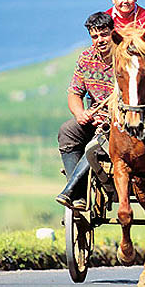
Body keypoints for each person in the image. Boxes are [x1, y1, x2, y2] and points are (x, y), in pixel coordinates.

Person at [55, 12, 114, 210]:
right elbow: (74, 93)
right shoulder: (86, 57)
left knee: (98, 140)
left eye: (104, 34)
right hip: (93, 118)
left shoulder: (126, 58)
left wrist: (108, 116)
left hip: (119, 122)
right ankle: (79, 196)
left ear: (113, 32)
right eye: (95, 36)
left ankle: (70, 190)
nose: (100, 40)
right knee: (67, 131)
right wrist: (80, 114)